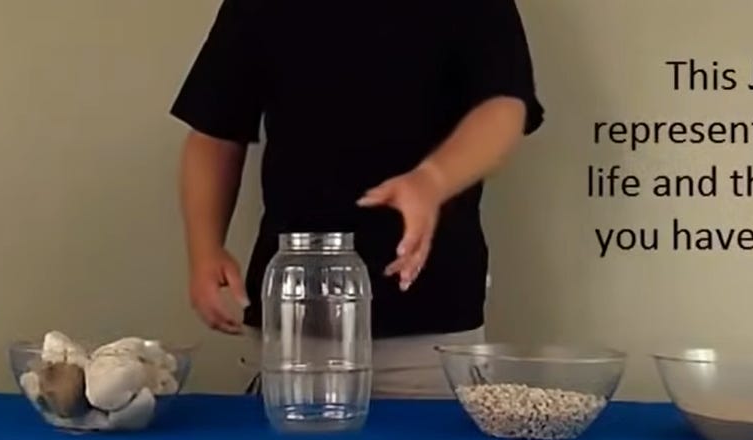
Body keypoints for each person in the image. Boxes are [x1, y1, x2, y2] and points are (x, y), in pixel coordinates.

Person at [170, 0, 544, 398]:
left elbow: (505, 106)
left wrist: (431, 181)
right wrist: (204, 250)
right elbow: (214, 130)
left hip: (430, 324)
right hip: (292, 322)